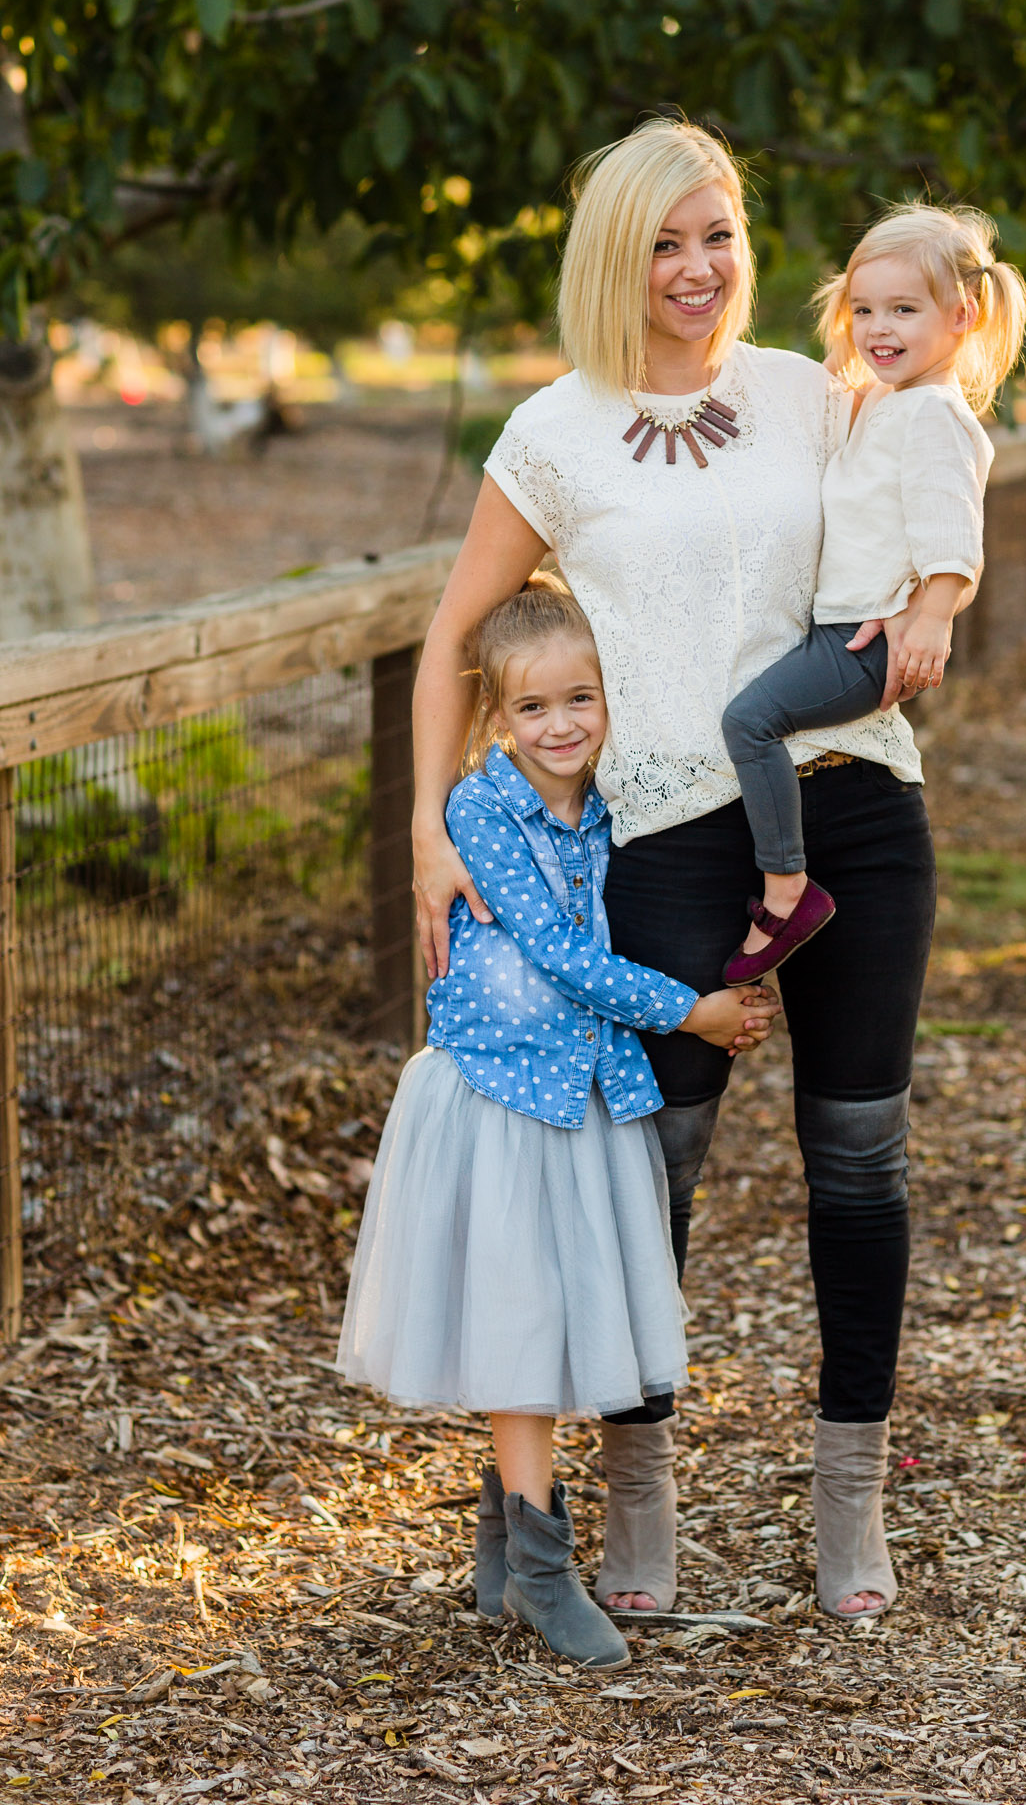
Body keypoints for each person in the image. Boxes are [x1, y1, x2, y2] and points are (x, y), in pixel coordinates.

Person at [412, 118, 946, 1620]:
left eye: (717, 235)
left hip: (856, 808)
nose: (697, 267)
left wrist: (942, 596)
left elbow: (938, 459)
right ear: (614, 254)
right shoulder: (554, 432)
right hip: (667, 836)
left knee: (860, 1156)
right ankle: (638, 1491)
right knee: (651, 1171)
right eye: (664, 241)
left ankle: (852, 1505)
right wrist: (426, 834)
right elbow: (455, 638)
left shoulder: (814, 392)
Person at [338, 577, 777, 1668]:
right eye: (533, 707)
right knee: (522, 1322)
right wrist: (693, 1011)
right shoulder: (480, 811)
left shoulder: (613, 803)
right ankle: (543, 1568)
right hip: (501, 1096)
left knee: (547, 1309)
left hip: (581, 1090)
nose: (561, 725)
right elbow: (560, 954)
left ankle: (501, 1552)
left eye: (581, 698)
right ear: (496, 714)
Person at [719, 204, 1026, 985]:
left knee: (749, 721)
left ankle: (786, 889)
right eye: (862, 310)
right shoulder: (891, 400)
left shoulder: (933, 416)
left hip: (860, 642)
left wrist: (931, 619)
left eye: (902, 309)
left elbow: (952, 535)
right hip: (844, 626)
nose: (877, 328)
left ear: (962, 315)